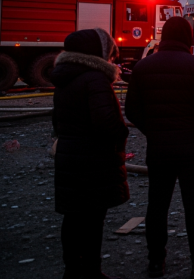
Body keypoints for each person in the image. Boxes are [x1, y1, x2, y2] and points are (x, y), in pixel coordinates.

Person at [125, 17, 194, 279]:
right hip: (193, 150)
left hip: (159, 149)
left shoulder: (143, 67)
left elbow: (132, 110)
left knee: (157, 205)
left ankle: (156, 262)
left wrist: (153, 131)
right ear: (188, 38)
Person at [51, 28, 129, 279]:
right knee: (93, 219)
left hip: (70, 155)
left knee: (73, 218)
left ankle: (72, 270)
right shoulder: (95, 79)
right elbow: (106, 122)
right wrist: (121, 135)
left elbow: (58, 120)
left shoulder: (65, 77)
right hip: (93, 159)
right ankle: (92, 272)